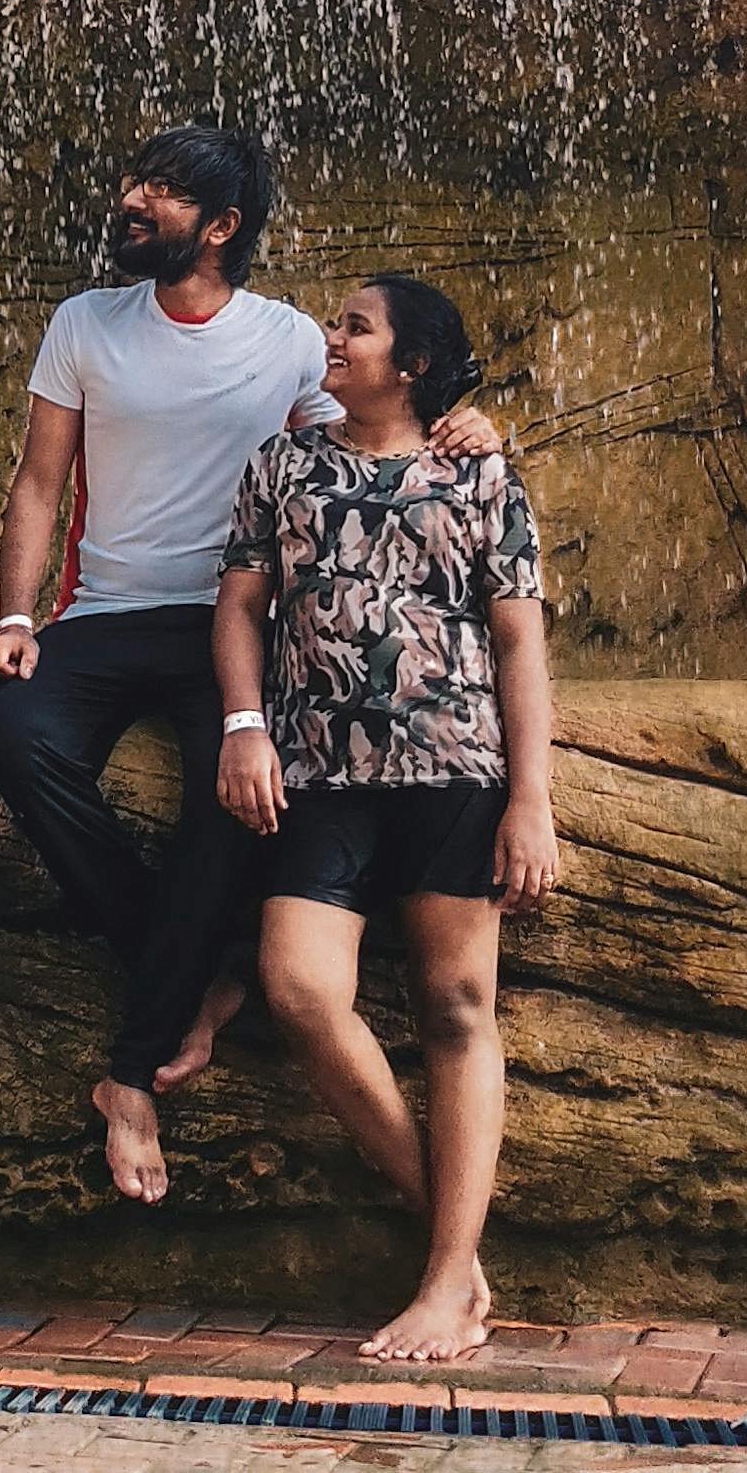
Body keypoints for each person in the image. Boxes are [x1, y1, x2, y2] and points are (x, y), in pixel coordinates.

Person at [0, 126, 494, 1205]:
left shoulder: (291, 340)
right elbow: (38, 482)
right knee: (17, 739)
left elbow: (376, 433)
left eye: (162, 190)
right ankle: (195, 971)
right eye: (136, 178)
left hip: (231, 624)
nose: (132, 198)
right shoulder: (83, 324)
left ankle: (131, 1074)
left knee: (236, 797)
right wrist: (16, 617)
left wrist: (467, 426)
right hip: (103, 613)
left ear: (221, 226)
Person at [214, 273, 556, 1365]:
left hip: (456, 772)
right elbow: (240, 609)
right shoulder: (282, 465)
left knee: (456, 1009)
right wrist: (244, 726)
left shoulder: (480, 470)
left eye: (354, 327)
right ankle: (451, 1243)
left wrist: (531, 800)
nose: (332, 338)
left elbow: (518, 640)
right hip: (317, 776)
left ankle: (447, 1280)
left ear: (410, 364)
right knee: (301, 990)